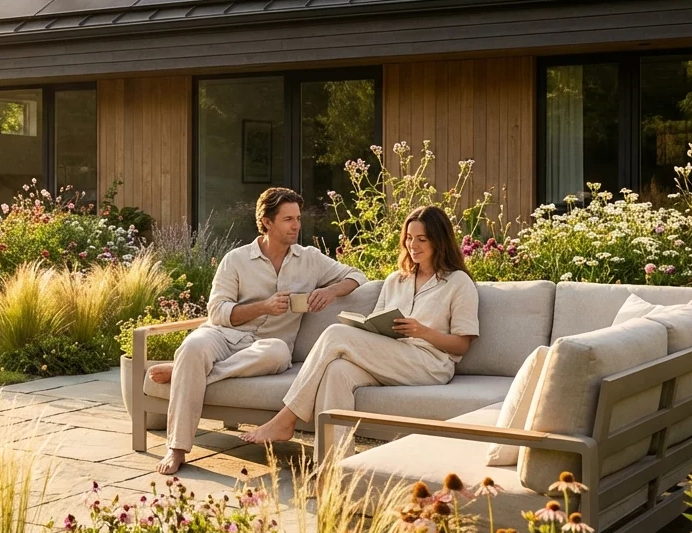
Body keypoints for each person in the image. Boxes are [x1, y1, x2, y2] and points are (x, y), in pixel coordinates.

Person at [148, 187, 367, 474]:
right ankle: (176, 448)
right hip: (223, 335)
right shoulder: (236, 260)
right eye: (288, 219)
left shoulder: (310, 258)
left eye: (298, 218)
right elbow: (217, 312)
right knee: (192, 347)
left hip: (268, 346)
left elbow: (357, 276)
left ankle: (185, 372)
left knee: (276, 352)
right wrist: (262, 307)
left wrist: (330, 290)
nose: (297, 226)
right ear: (267, 221)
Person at [239, 205, 479, 445]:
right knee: (337, 371)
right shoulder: (397, 280)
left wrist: (422, 331)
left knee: (335, 333)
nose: (412, 245)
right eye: (408, 238)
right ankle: (333, 465)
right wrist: (369, 327)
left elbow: (461, 345)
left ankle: (285, 419)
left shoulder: (458, 282)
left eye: (422, 239)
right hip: (391, 357)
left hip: (430, 365)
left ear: (439, 241)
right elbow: (376, 323)